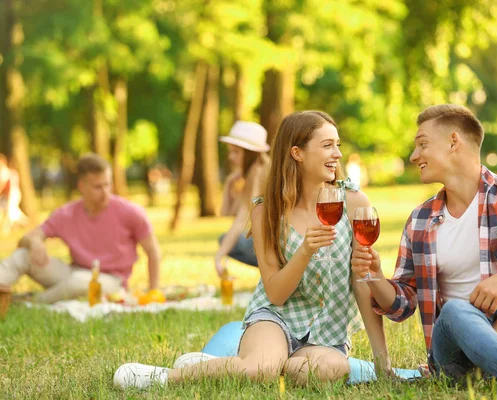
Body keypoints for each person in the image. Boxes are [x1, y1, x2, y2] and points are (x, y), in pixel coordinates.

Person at [114, 110, 391, 389]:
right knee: (260, 368)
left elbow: (362, 281)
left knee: (326, 370)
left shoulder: (354, 202)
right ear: (298, 153)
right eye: (327, 145)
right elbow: (276, 293)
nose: (337, 154)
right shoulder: (266, 212)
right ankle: (160, 377)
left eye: (338, 145)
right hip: (276, 318)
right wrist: (305, 250)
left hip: (327, 333)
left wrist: (384, 364)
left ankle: (219, 366)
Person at [351, 104, 497, 394]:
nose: (414, 156)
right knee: (454, 310)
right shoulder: (420, 220)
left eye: (422, 144)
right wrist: (376, 276)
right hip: (458, 361)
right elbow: (402, 305)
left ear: (454, 142)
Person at [0, 153, 162, 303]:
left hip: (111, 280)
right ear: (82, 186)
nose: (105, 192)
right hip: (72, 272)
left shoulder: (131, 212)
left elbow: (153, 251)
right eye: (97, 187)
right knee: (24, 255)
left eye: (107, 184)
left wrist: (154, 290)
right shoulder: (67, 213)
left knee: (80, 283)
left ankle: (30, 303)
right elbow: (26, 239)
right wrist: (34, 242)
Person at [214, 121, 271, 276]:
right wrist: (228, 183)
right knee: (224, 239)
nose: (231, 157)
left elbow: (242, 219)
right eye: (230, 151)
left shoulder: (259, 172)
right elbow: (226, 212)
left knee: (240, 243)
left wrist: (219, 256)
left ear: (250, 153)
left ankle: (272, 274)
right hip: (271, 241)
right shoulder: (253, 172)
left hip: (278, 242)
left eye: (236, 152)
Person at [0, 154, 28, 234]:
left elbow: (4, 185)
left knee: (10, 211)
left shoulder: (5, 171)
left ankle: (6, 230)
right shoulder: (7, 171)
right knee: (13, 211)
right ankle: (25, 223)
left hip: (12, 195)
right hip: (9, 195)